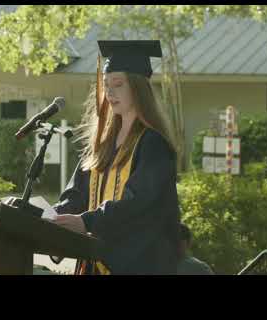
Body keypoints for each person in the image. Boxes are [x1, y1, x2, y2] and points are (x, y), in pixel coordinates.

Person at [51, 40, 180, 275]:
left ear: (138, 87)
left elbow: (138, 205)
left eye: (118, 84)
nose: (110, 92)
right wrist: (51, 216)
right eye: (106, 84)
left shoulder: (153, 145)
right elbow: (77, 193)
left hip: (136, 265)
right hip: (92, 262)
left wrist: (87, 222)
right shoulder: (101, 144)